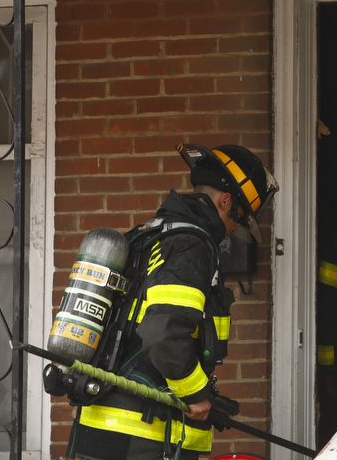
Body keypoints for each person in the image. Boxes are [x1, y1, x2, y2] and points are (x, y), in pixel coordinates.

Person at [67, 143, 278, 460]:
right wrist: (195, 394)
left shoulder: (145, 235)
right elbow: (163, 335)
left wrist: (208, 398)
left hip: (97, 425)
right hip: (141, 438)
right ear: (226, 202)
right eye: (241, 218)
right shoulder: (191, 244)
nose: (235, 228)